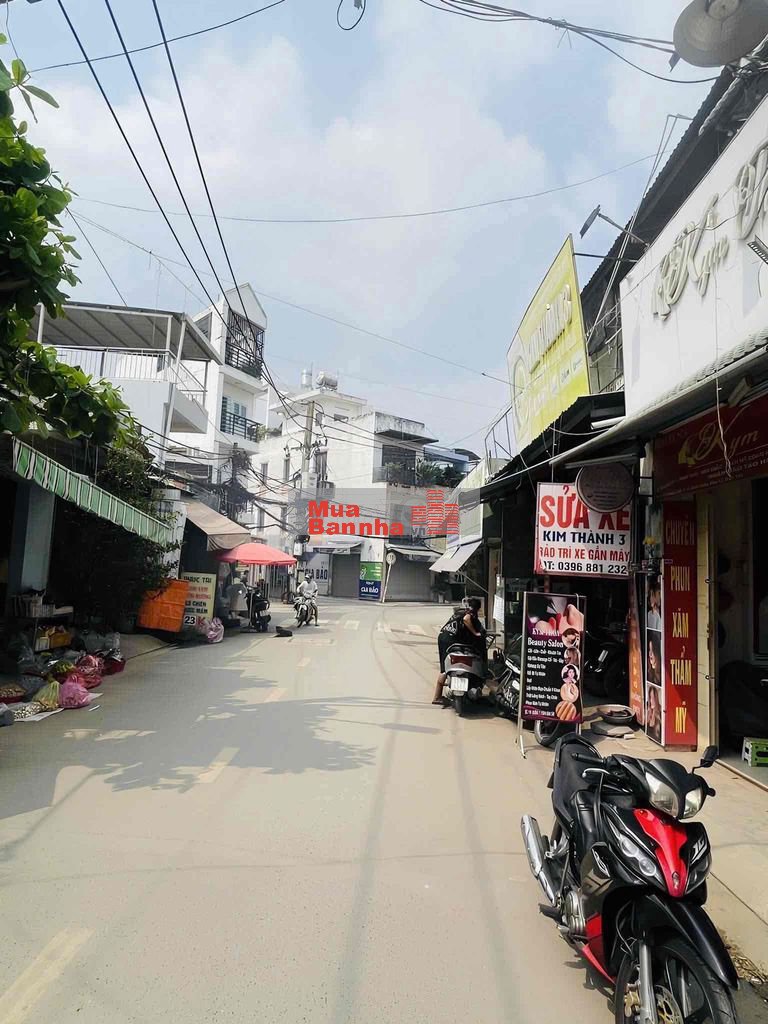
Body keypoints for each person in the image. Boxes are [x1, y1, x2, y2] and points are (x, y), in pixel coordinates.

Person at [432, 597, 486, 704]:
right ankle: (437, 697)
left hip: (443, 636)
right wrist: (475, 633)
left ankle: (439, 695)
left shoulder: (460, 611)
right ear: (478, 608)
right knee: (445, 668)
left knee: (445, 666)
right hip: (449, 639)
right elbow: (466, 619)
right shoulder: (470, 613)